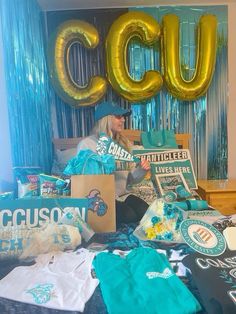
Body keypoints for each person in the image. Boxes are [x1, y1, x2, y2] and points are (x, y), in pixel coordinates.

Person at [77, 101, 150, 226]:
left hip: (122, 194)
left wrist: (142, 170)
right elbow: (83, 180)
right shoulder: (87, 145)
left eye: (123, 117)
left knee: (146, 212)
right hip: (101, 197)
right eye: (118, 116)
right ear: (106, 119)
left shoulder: (125, 144)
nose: (123, 120)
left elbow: (131, 179)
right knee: (129, 216)